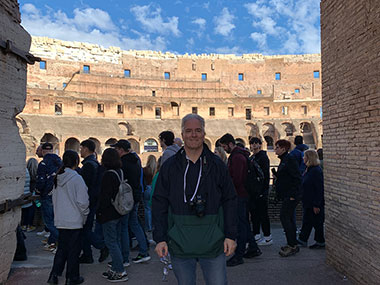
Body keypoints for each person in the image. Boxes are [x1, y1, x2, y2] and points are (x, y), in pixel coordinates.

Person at [153, 114, 237, 284]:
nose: (193, 135)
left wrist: (230, 235)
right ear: (182, 134)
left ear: (204, 134)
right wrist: (160, 238)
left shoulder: (216, 165)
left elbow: (230, 200)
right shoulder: (170, 166)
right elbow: (159, 202)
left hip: (213, 241)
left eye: (198, 130)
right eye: (189, 131)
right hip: (179, 241)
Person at [219, 133, 261, 267]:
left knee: (240, 225)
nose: (224, 149)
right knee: (244, 223)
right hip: (241, 194)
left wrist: (225, 186)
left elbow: (236, 179)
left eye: (225, 146)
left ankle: (239, 254)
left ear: (230, 144)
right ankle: (253, 247)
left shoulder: (237, 157)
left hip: (239, 195)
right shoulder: (239, 155)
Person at [47, 150, 89, 285]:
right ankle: (72, 277)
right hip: (74, 219)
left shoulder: (57, 178)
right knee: (73, 251)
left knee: (62, 249)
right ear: (76, 162)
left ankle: (54, 275)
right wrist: (85, 215)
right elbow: (82, 202)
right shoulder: (77, 179)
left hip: (61, 219)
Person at [111, 139, 151, 264]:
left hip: (127, 198)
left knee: (124, 227)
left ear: (121, 150)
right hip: (136, 195)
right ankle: (144, 251)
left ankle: (124, 257)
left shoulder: (123, 163)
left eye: (116, 149)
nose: (115, 151)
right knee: (134, 224)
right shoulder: (135, 159)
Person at [96, 148, 129, 282]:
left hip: (109, 213)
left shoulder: (108, 175)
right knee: (116, 240)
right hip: (119, 211)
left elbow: (105, 197)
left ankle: (120, 271)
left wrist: (99, 212)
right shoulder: (119, 172)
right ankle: (116, 267)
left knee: (111, 242)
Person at [78, 139, 108, 264]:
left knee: (85, 229)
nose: (80, 151)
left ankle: (101, 246)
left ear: (86, 149)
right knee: (85, 229)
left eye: (81, 148)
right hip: (93, 200)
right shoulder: (93, 163)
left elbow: (85, 185)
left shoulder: (89, 165)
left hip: (89, 201)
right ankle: (87, 255)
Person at [273, 139, 302, 257]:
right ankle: (292, 244)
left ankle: (292, 245)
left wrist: (292, 195)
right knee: (287, 219)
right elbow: (287, 176)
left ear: (283, 149)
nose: (275, 149)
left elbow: (296, 178)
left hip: (290, 196)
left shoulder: (289, 160)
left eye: (277, 147)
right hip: (287, 194)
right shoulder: (284, 160)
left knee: (285, 218)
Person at [36, 142, 62, 251]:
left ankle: (62, 242)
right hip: (59, 194)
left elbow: (41, 181)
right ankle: (52, 242)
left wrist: (39, 191)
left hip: (47, 194)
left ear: (42, 150)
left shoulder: (43, 164)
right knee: (56, 220)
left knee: (49, 222)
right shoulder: (60, 162)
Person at [297, 150, 325, 249]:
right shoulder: (309, 169)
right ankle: (303, 239)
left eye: (304, 156)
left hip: (314, 202)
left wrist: (317, 204)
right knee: (307, 221)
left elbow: (319, 188)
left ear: (309, 158)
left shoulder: (316, 171)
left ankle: (320, 241)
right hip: (308, 201)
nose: (303, 158)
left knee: (317, 222)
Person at [248, 137, 271, 246]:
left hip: (261, 190)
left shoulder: (263, 157)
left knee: (263, 214)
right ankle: (256, 235)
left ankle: (267, 237)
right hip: (253, 191)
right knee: (254, 214)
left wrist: (264, 190)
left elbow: (265, 175)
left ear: (260, 145)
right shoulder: (252, 157)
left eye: (256, 143)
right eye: (252, 144)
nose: (253, 145)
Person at [143, 155, 157, 236]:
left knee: (147, 208)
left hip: (147, 188)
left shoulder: (145, 170)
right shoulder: (157, 170)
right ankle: (153, 225)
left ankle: (148, 226)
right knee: (153, 209)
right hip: (154, 188)